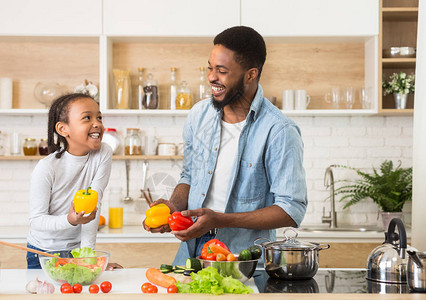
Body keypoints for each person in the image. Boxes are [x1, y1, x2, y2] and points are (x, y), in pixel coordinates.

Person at [144, 26, 308, 265]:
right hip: (190, 252)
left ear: (250, 74)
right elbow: (189, 176)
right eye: (210, 68)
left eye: (221, 71)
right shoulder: (198, 115)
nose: (211, 77)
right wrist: (173, 206)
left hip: (243, 259)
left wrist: (221, 220)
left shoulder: (279, 131)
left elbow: (291, 209)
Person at [26, 93, 121, 270]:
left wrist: (87, 259)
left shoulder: (103, 153)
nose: (97, 124)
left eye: (99, 117)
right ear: (63, 129)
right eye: (87, 117)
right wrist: (70, 220)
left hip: (76, 252)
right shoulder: (46, 168)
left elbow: (94, 206)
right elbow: (36, 220)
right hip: (44, 253)